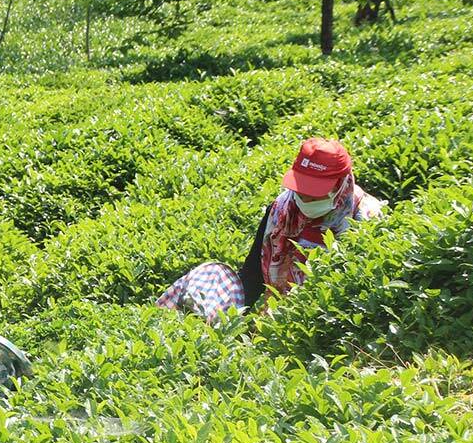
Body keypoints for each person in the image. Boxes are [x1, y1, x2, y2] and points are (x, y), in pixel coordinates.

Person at [157, 137, 385, 322]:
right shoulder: (281, 209)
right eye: (301, 188)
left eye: (314, 191)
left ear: (342, 184)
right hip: (272, 318)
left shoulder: (364, 218)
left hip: (325, 322)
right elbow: (253, 274)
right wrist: (225, 320)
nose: (304, 197)